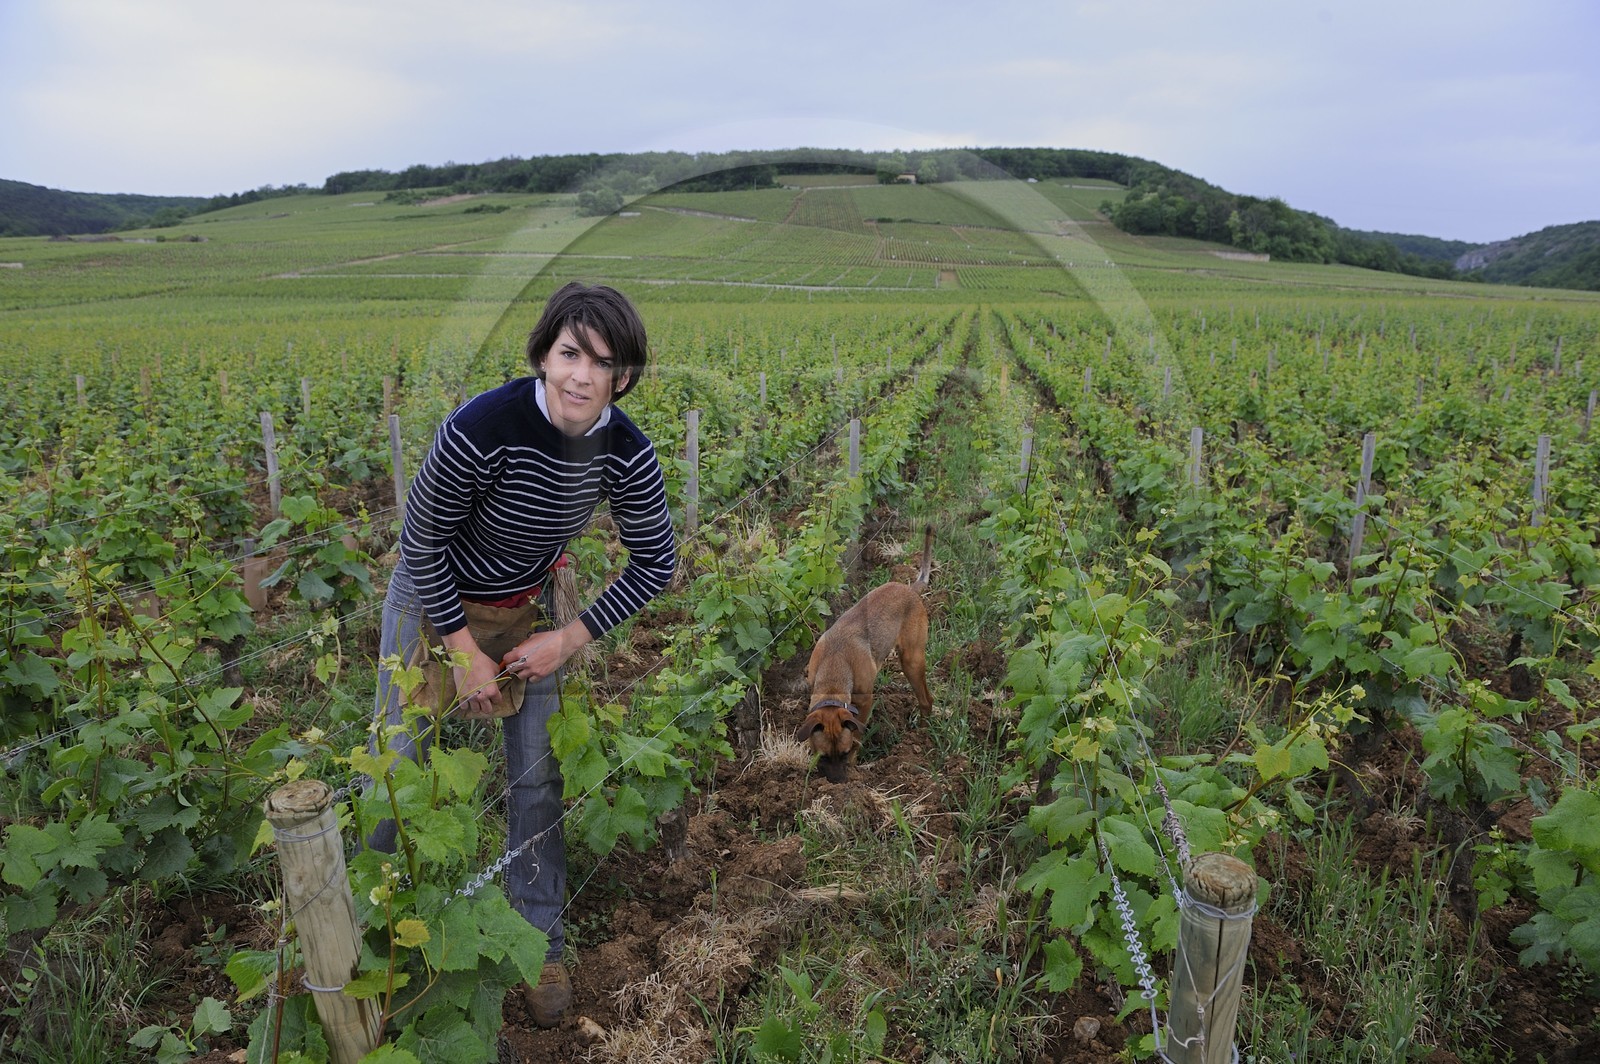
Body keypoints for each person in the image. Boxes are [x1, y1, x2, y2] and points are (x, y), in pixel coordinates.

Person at [367, 281, 677, 1028]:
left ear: (623, 377)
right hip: (430, 597)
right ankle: (374, 934)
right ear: (543, 354)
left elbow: (656, 561)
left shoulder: (625, 454)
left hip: (526, 606)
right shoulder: (482, 427)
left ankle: (539, 940)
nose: (581, 376)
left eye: (603, 364)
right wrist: (462, 650)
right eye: (570, 354)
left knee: (536, 778)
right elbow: (423, 539)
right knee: (397, 765)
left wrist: (566, 639)